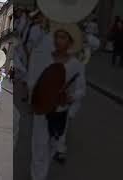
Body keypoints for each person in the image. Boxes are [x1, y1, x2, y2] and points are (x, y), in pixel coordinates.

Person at [30, 25, 86, 180]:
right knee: (38, 146)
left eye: (63, 37)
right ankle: (37, 177)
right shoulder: (43, 58)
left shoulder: (76, 64)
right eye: (57, 36)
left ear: (70, 41)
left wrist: (71, 97)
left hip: (60, 112)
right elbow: (33, 81)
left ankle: (42, 173)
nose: (58, 40)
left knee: (52, 147)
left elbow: (81, 89)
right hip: (42, 110)